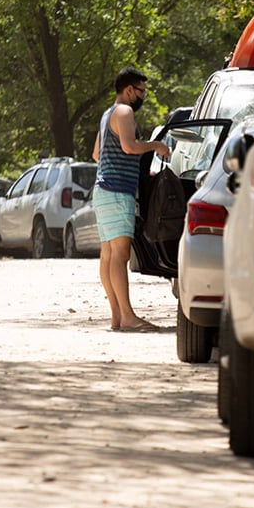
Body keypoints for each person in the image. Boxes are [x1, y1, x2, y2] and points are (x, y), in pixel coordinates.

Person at [92, 67, 171, 332]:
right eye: (141, 92)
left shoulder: (107, 115)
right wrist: (155, 146)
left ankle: (117, 316)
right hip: (116, 191)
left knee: (108, 255)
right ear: (129, 90)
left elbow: (96, 154)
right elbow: (129, 146)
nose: (143, 97)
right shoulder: (124, 112)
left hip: (103, 190)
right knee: (121, 254)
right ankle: (127, 316)